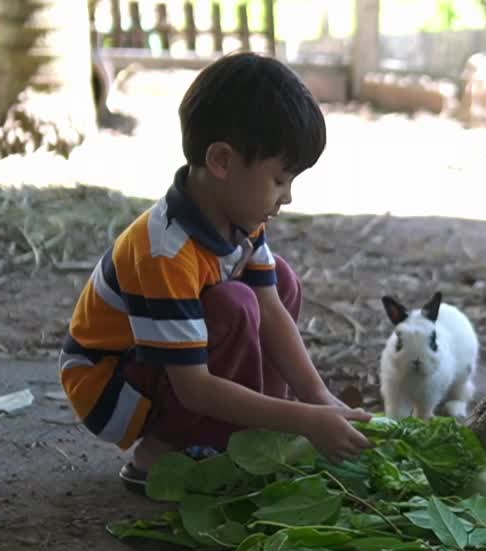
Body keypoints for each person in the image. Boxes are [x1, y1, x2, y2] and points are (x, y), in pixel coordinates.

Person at [58, 51, 372, 494]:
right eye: (280, 180)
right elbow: (194, 388)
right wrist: (305, 421)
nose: (288, 198)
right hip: (113, 389)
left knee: (279, 281)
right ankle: (162, 452)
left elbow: (272, 306)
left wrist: (318, 399)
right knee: (234, 304)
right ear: (222, 161)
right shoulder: (164, 252)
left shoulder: (241, 217)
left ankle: (248, 437)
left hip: (168, 368)